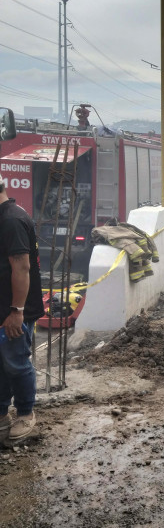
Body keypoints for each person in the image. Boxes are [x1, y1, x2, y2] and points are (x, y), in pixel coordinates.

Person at [0, 173, 45, 442]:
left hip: (14, 310)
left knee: (16, 362)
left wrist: (17, 311)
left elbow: (22, 267)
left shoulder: (12, 220)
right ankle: (2, 414)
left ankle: (26, 414)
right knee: (1, 363)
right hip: (3, 308)